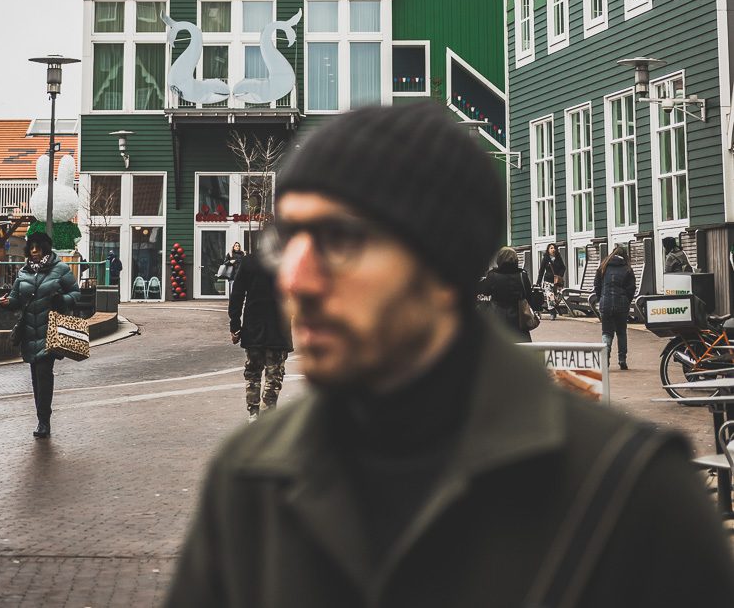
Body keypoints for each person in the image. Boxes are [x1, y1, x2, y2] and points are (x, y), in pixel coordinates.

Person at [164, 101, 734, 608]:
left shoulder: (629, 497)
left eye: (339, 241)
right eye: (289, 242)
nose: (298, 279)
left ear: (442, 266)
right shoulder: (251, 482)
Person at [0, 232, 81, 439]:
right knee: (36, 379)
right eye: (31, 248)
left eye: (38, 247)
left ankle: (44, 421)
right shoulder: (23, 272)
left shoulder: (60, 269)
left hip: (50, 331)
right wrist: (5, 303)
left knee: (44, 375)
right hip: (29, 333)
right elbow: (16, 298)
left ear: (45, 248)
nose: (34, 251)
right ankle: (41, 417)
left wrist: (62, 300)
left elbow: (76, 293)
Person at [228, 250, 292, 421]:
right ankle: (267, 415)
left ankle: (253, 413)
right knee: (274, 376)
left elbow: (237, 294)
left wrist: (235, 325)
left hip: (253, 325)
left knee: (253, 373)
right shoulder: (286, 259)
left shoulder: (249, 261)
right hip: (278, 326)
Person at [593, 245, 636, 371]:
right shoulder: (627, 269)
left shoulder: (603, 266)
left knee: (607, 332)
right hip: (621, 304)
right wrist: (627, 300)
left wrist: (601, 297)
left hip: (605, 303)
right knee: (621, 332)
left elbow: (597, 285)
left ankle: (605, 357)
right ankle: (622, 359)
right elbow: (631, 289)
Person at [481, 246, 537, 341]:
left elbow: (485, 291)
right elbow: (528, 294)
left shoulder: (493, 275)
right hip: (518, 315)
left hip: (497, 313)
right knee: (521, 345)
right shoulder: (522, 274)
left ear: (499, 258)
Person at [536, 241, 566, 318]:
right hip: (548, 281)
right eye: (551, 248)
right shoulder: (545, 259)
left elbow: (563, 267)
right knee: (550, 295)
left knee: (558, 296)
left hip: (557, 282)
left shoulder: (558, 258)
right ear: (548, 250)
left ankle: (554, 307)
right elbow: (541, 271)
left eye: (554, 248)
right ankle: (552, 312)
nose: (553, 249)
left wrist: (559, 275)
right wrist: (538, 282)